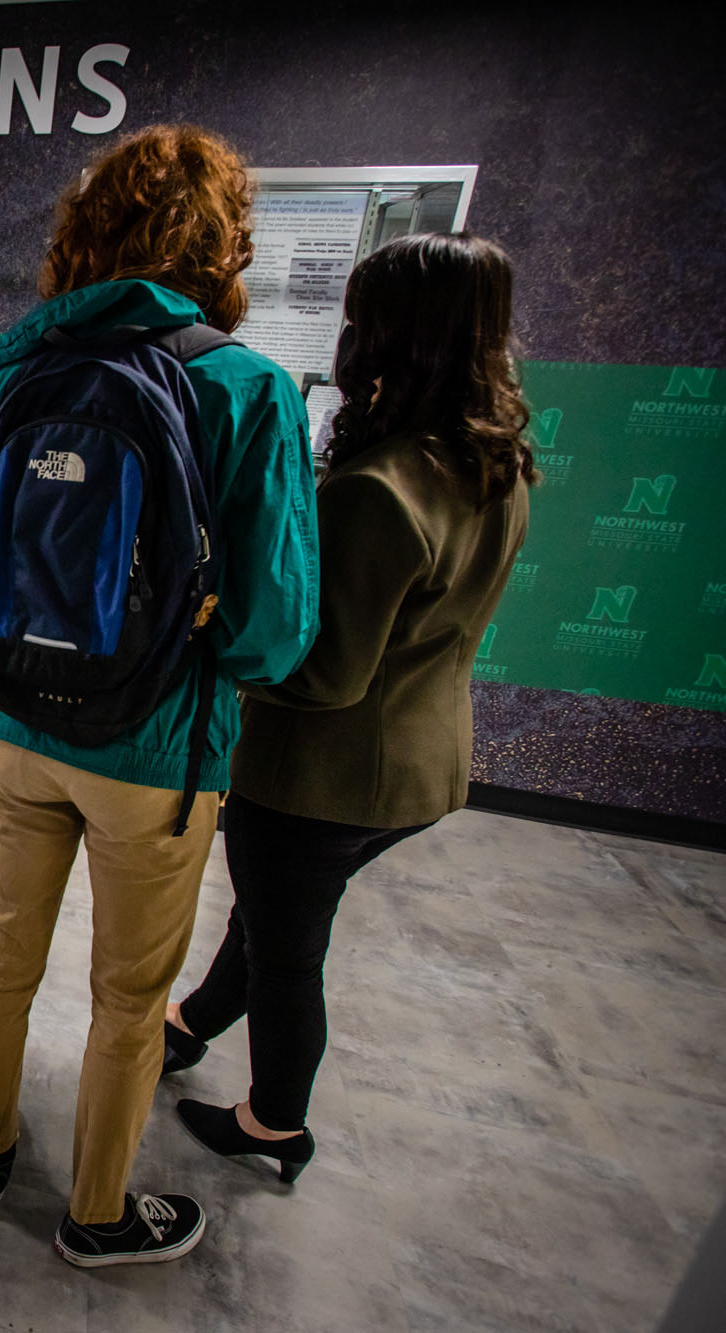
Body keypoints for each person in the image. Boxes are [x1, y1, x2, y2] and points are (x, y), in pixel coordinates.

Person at [0, 124, 319, 1266]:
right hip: (156, 756)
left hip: (8, 728)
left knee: (2, 952)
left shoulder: (3, 368)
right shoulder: (247, 389)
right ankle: (95, 1216)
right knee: (129, 1000)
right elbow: (270, 636)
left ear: (81, 234)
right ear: (222, 244)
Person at [163, 233, 536, 1181]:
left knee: (289, 949)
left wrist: (213, 648)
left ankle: (275, 1122)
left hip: (321, 776)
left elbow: (324, 673)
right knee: (275, 914)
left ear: (393, 335)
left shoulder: (377, 489)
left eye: (359, 316)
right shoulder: (492, 464)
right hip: (419, 762)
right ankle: (193, 1022)